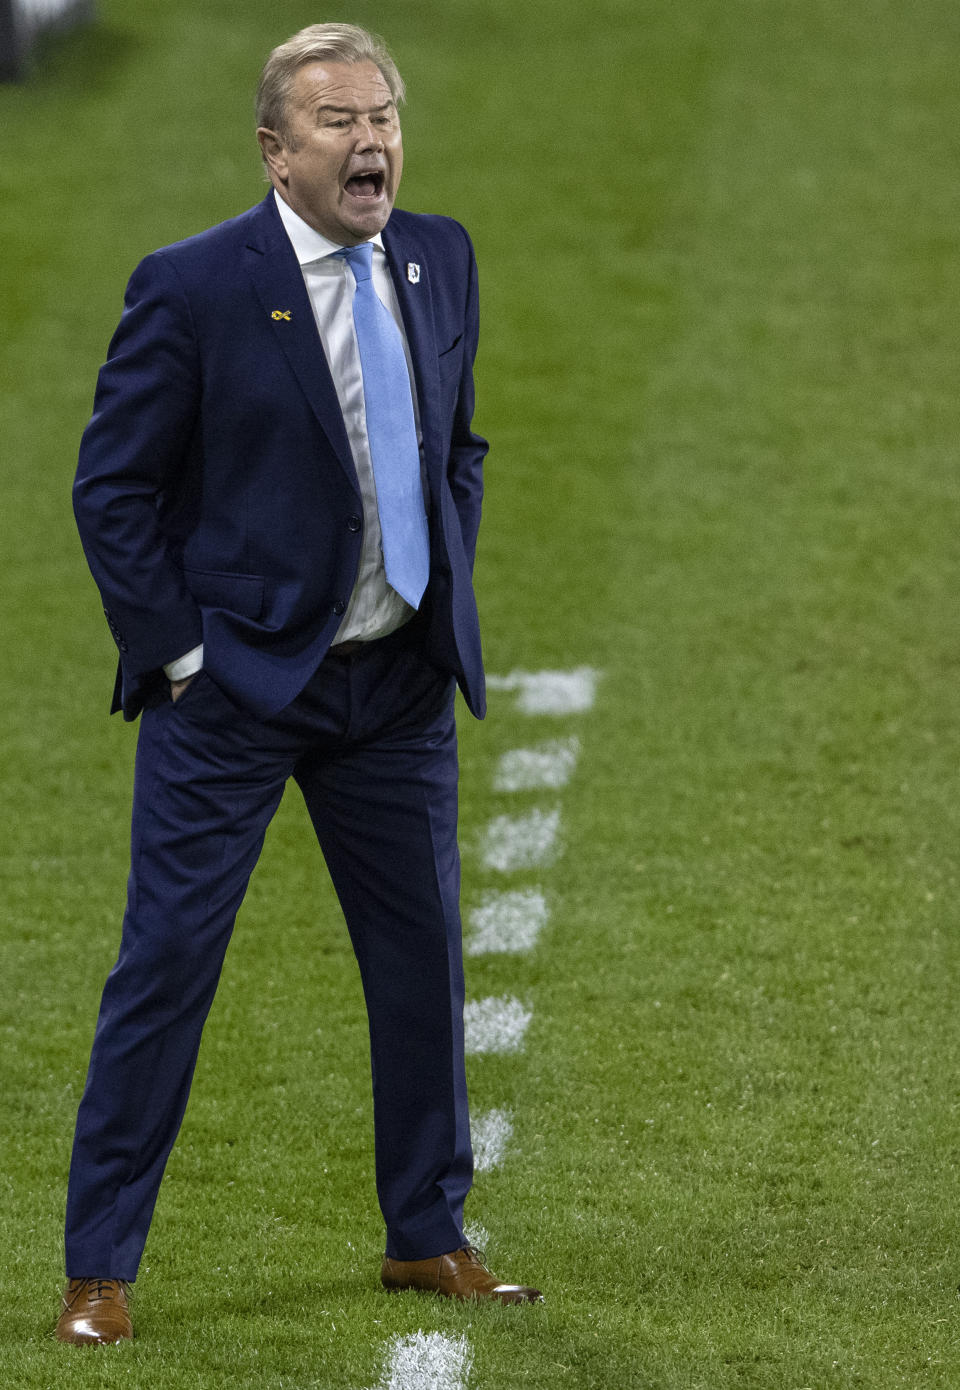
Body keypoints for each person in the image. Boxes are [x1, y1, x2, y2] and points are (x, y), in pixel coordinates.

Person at [56, 22, 541, 1346]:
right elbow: (114, 488)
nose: (370, 140)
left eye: (382, 114)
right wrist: (187, 655)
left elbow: (459, 438)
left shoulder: (440, 257)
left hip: (391, 686)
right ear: (275, 149)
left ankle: (426, 1229)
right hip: (236, 691)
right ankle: (99, 1267)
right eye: (338, 120)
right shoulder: (197, 284)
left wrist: (437, 583)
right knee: (166, 965)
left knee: (422, 958)